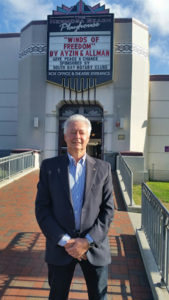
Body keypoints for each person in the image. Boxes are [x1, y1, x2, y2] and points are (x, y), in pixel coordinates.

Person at [35, 114, 114, 300]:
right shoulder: (49, 167)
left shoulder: (103, 168)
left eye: (81, 132)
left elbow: (108, 210)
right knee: (57, 296)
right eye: (72, 132)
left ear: (88, 136)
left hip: (94, 247)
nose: (77, 136)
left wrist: (87, 241)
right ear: (65, 136)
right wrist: (66, 241)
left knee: (99, 297)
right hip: (60, 247)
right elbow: (42, 209)